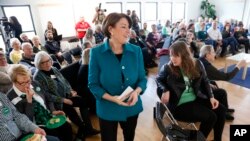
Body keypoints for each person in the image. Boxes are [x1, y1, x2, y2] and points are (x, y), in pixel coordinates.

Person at [88, 12, 147, 141]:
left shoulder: (136, 51)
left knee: (129, 137)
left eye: (129, 27)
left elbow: (142, 79)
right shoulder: (96, 53)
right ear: (110, 29)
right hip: (107, 108)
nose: (128, 31)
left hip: (131, 106)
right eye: (123, 27)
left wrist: (137, 92)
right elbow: (93, 84)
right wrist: (112, 98)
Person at [156, 41, 226, 141]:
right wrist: (165, 89)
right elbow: (158, 79)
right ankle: (199, 139)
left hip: (195, 98)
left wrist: (211, 97)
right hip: (179, 105)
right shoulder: (168, 67)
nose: (172, 58)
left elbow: (205, 81)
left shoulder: (197, 63)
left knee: (221, 110)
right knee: (212, 117)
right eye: (171, 55)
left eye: (176, 56)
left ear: (184, 55)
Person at [33, 51, 99, 140]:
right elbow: (46, 95)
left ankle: (87, 128)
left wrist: (71, 90)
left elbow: (64, 81)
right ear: (38, 64)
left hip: (67, 95)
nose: (47, 64)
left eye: (48, 60)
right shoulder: (38, 77)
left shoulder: (54, 69)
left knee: (84, 102)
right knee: (69, 109)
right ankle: (83, 129)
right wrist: (63, 100)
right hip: (55, 103)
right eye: (43, 62)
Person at [7, 64, 73, 141]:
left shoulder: (34, 83)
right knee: (56, 135)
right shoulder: (10, 97)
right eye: (23, 83)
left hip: (49, 117)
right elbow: (25, 120)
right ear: (13, 82)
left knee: (67, 127)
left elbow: (47, 98)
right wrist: (29, 101)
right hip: (35, 126)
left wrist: (53, 111)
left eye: (28, 80)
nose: (27, 85)